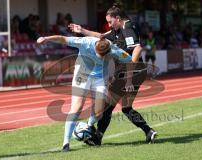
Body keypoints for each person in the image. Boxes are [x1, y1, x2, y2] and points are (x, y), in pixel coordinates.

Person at [68, 3, 157, 146]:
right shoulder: (117, 30)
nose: (109, 25)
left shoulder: (127, 27)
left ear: (118, 18)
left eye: (110, 21)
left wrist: (128, 77)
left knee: (107, 106)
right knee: (126, 107)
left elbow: (137, 48)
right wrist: (82, 30)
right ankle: (149, 131)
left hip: (131, 74)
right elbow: (101, 36)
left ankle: (97, 137)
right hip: (139, 73)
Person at [37, 35, 134, 152]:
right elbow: (63, 38)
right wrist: (46, 38)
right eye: (99, 55)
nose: (101, 58)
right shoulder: (85, 42)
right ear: (95, 48)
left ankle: (87, 126)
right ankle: (65, 144)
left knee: (99, 114)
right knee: (77, 107)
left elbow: (130, 60)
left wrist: (128, 81)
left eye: (104, 57)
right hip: (82, 75)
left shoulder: (114, 49)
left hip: (99, 78)